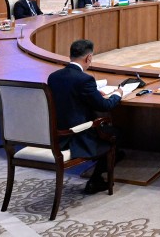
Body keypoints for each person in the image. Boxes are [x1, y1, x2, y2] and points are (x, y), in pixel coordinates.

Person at [47, 39, 125, 194]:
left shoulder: (53, 77)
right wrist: (117, 94)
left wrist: (94, 93)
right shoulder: (85, 79)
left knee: (114, 140)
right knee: (115, 134)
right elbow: (105, 106)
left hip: (56, 134)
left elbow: (70, 97)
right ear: (89, 58)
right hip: (77, 135)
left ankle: (111, 161)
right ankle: (96, 179)